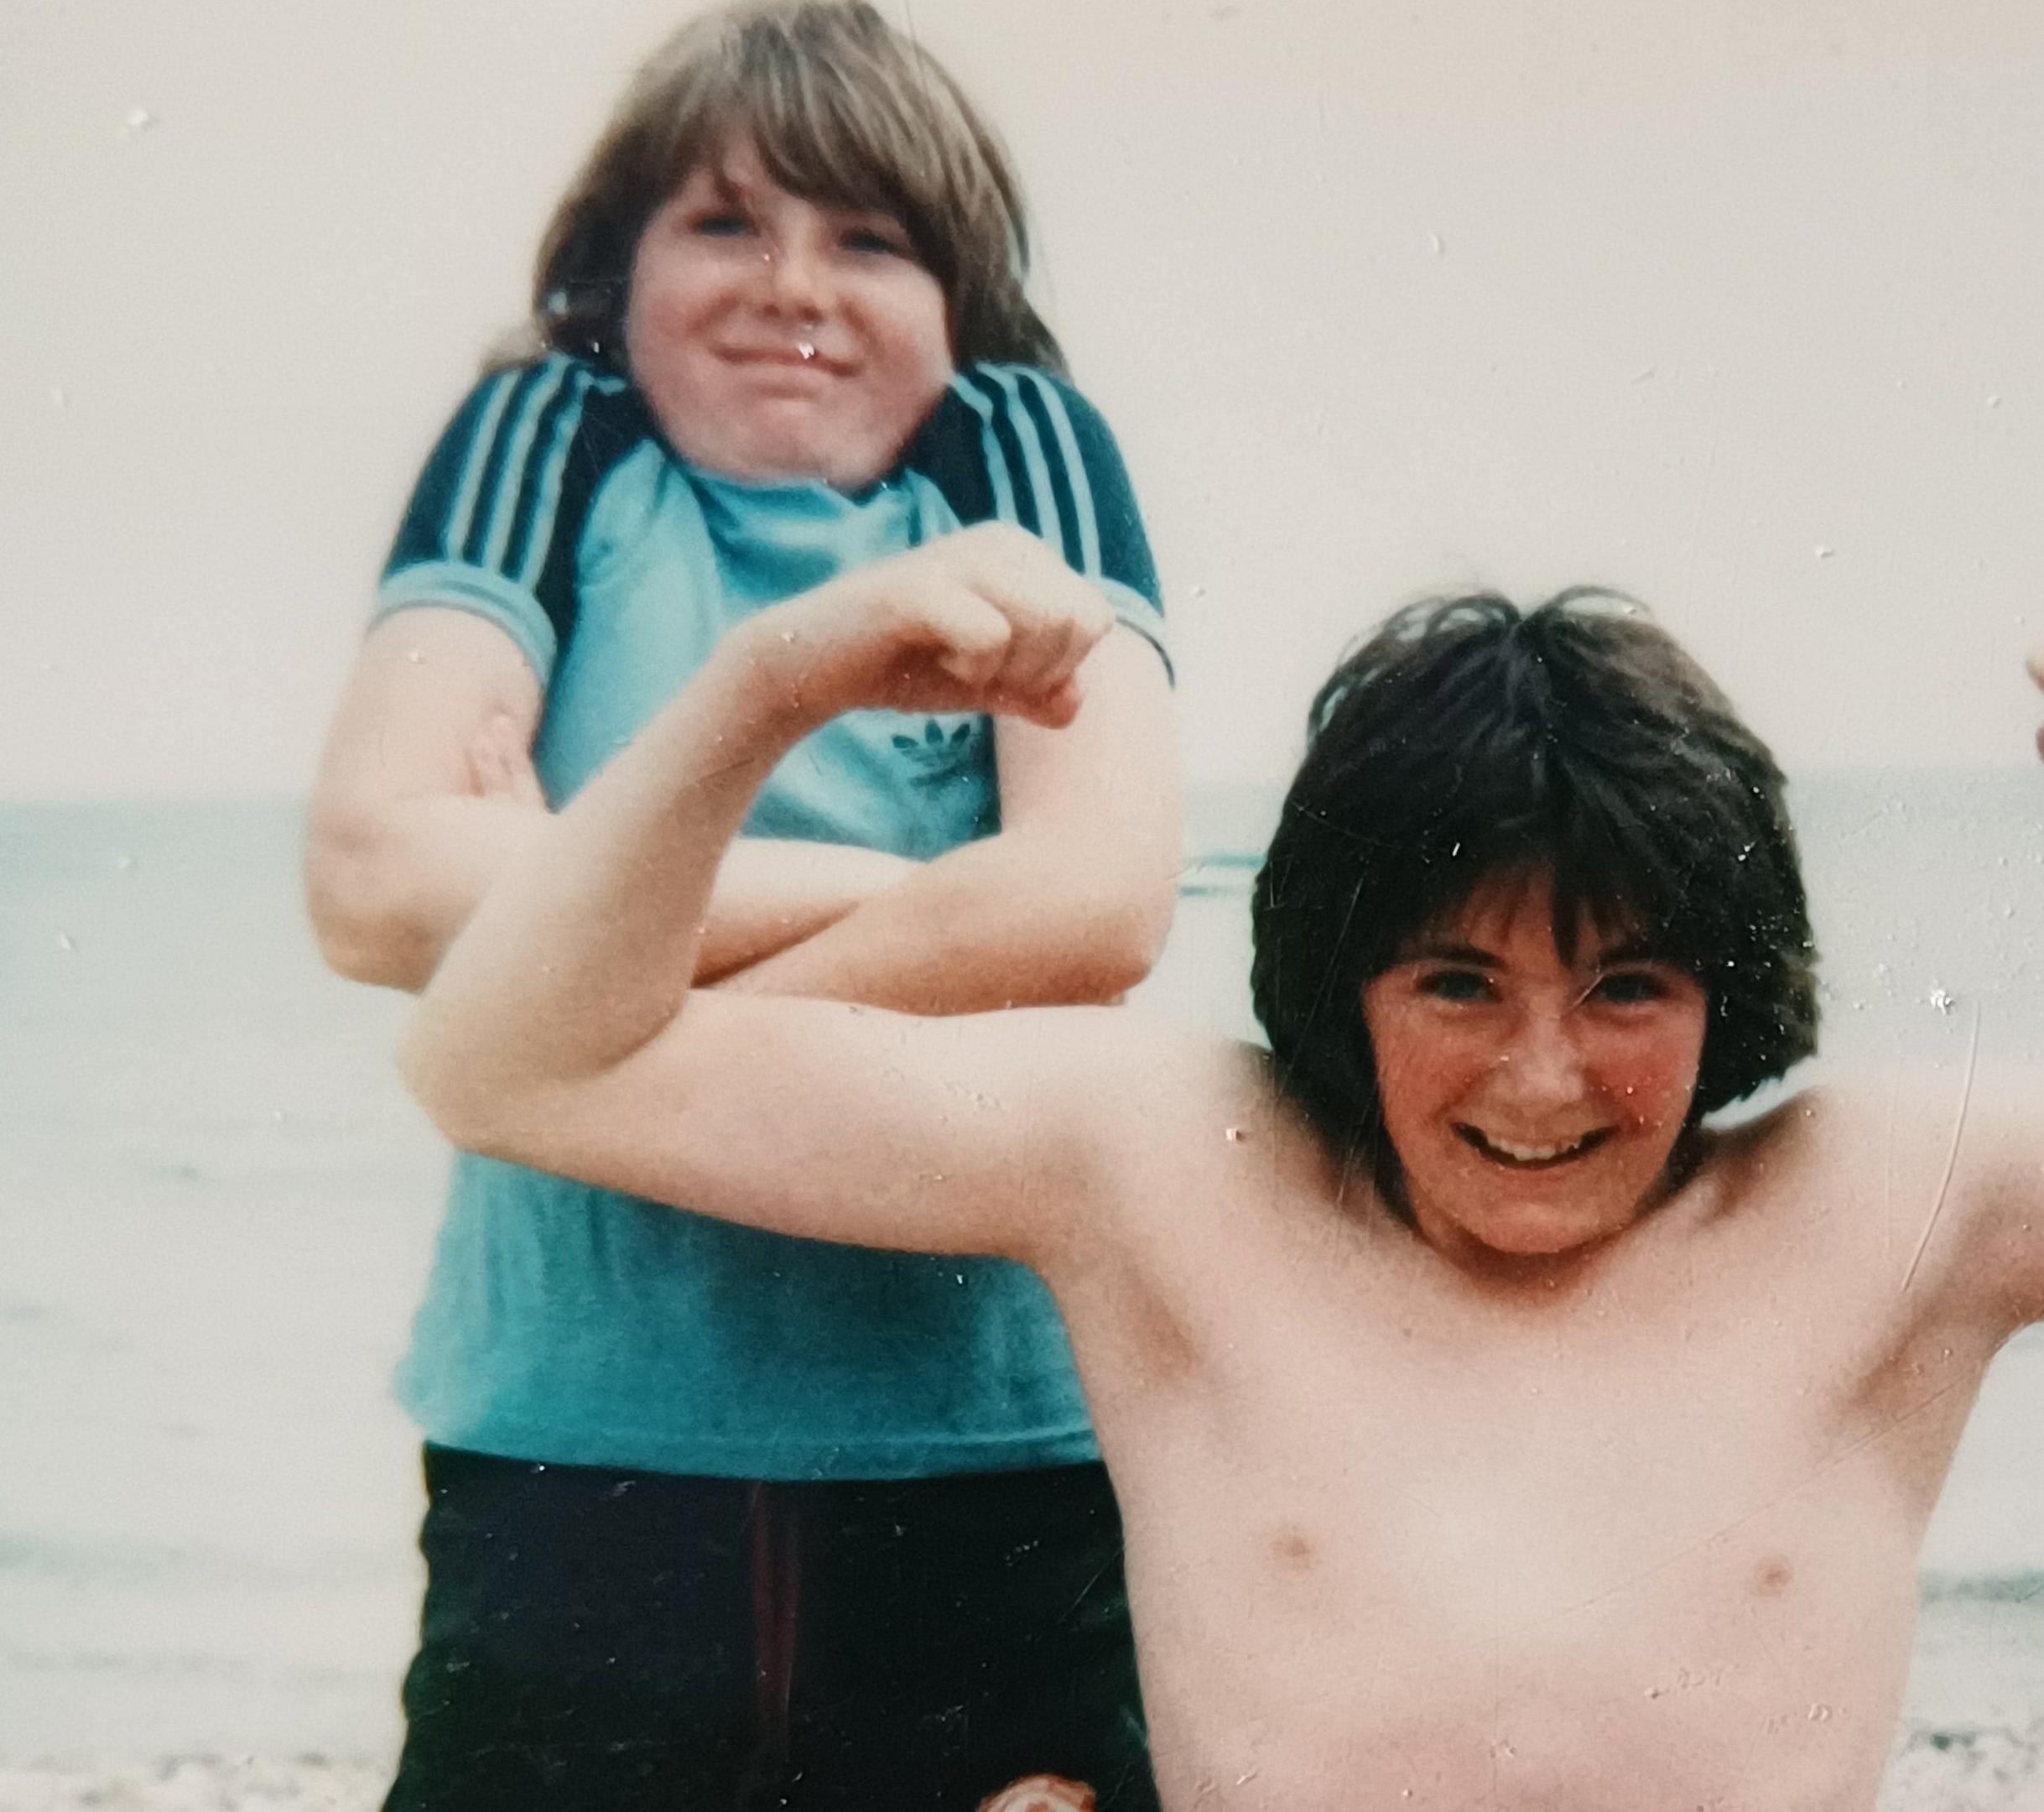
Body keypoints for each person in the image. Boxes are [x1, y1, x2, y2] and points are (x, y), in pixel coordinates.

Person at [397, 570, 2044, 1812]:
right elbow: (511, 1060)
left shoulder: (1905, 1200)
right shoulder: (1168, 1163)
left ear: (1738, 987)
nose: (1546, 1076)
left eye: (1632, 984)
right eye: (1457, 981)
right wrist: (772, 686)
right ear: (1336, 980)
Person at [299, 6, 1178, 1808]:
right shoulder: (548, 438)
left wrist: (580, 977)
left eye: (870, 237)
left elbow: (1094, 906)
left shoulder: (1019, 450)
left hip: (987, 1466)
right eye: (724, 222)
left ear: (964, 297)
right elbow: (377, 876)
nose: (798, 284)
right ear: (610, 273)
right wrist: (923, 897)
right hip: (568, 1465)